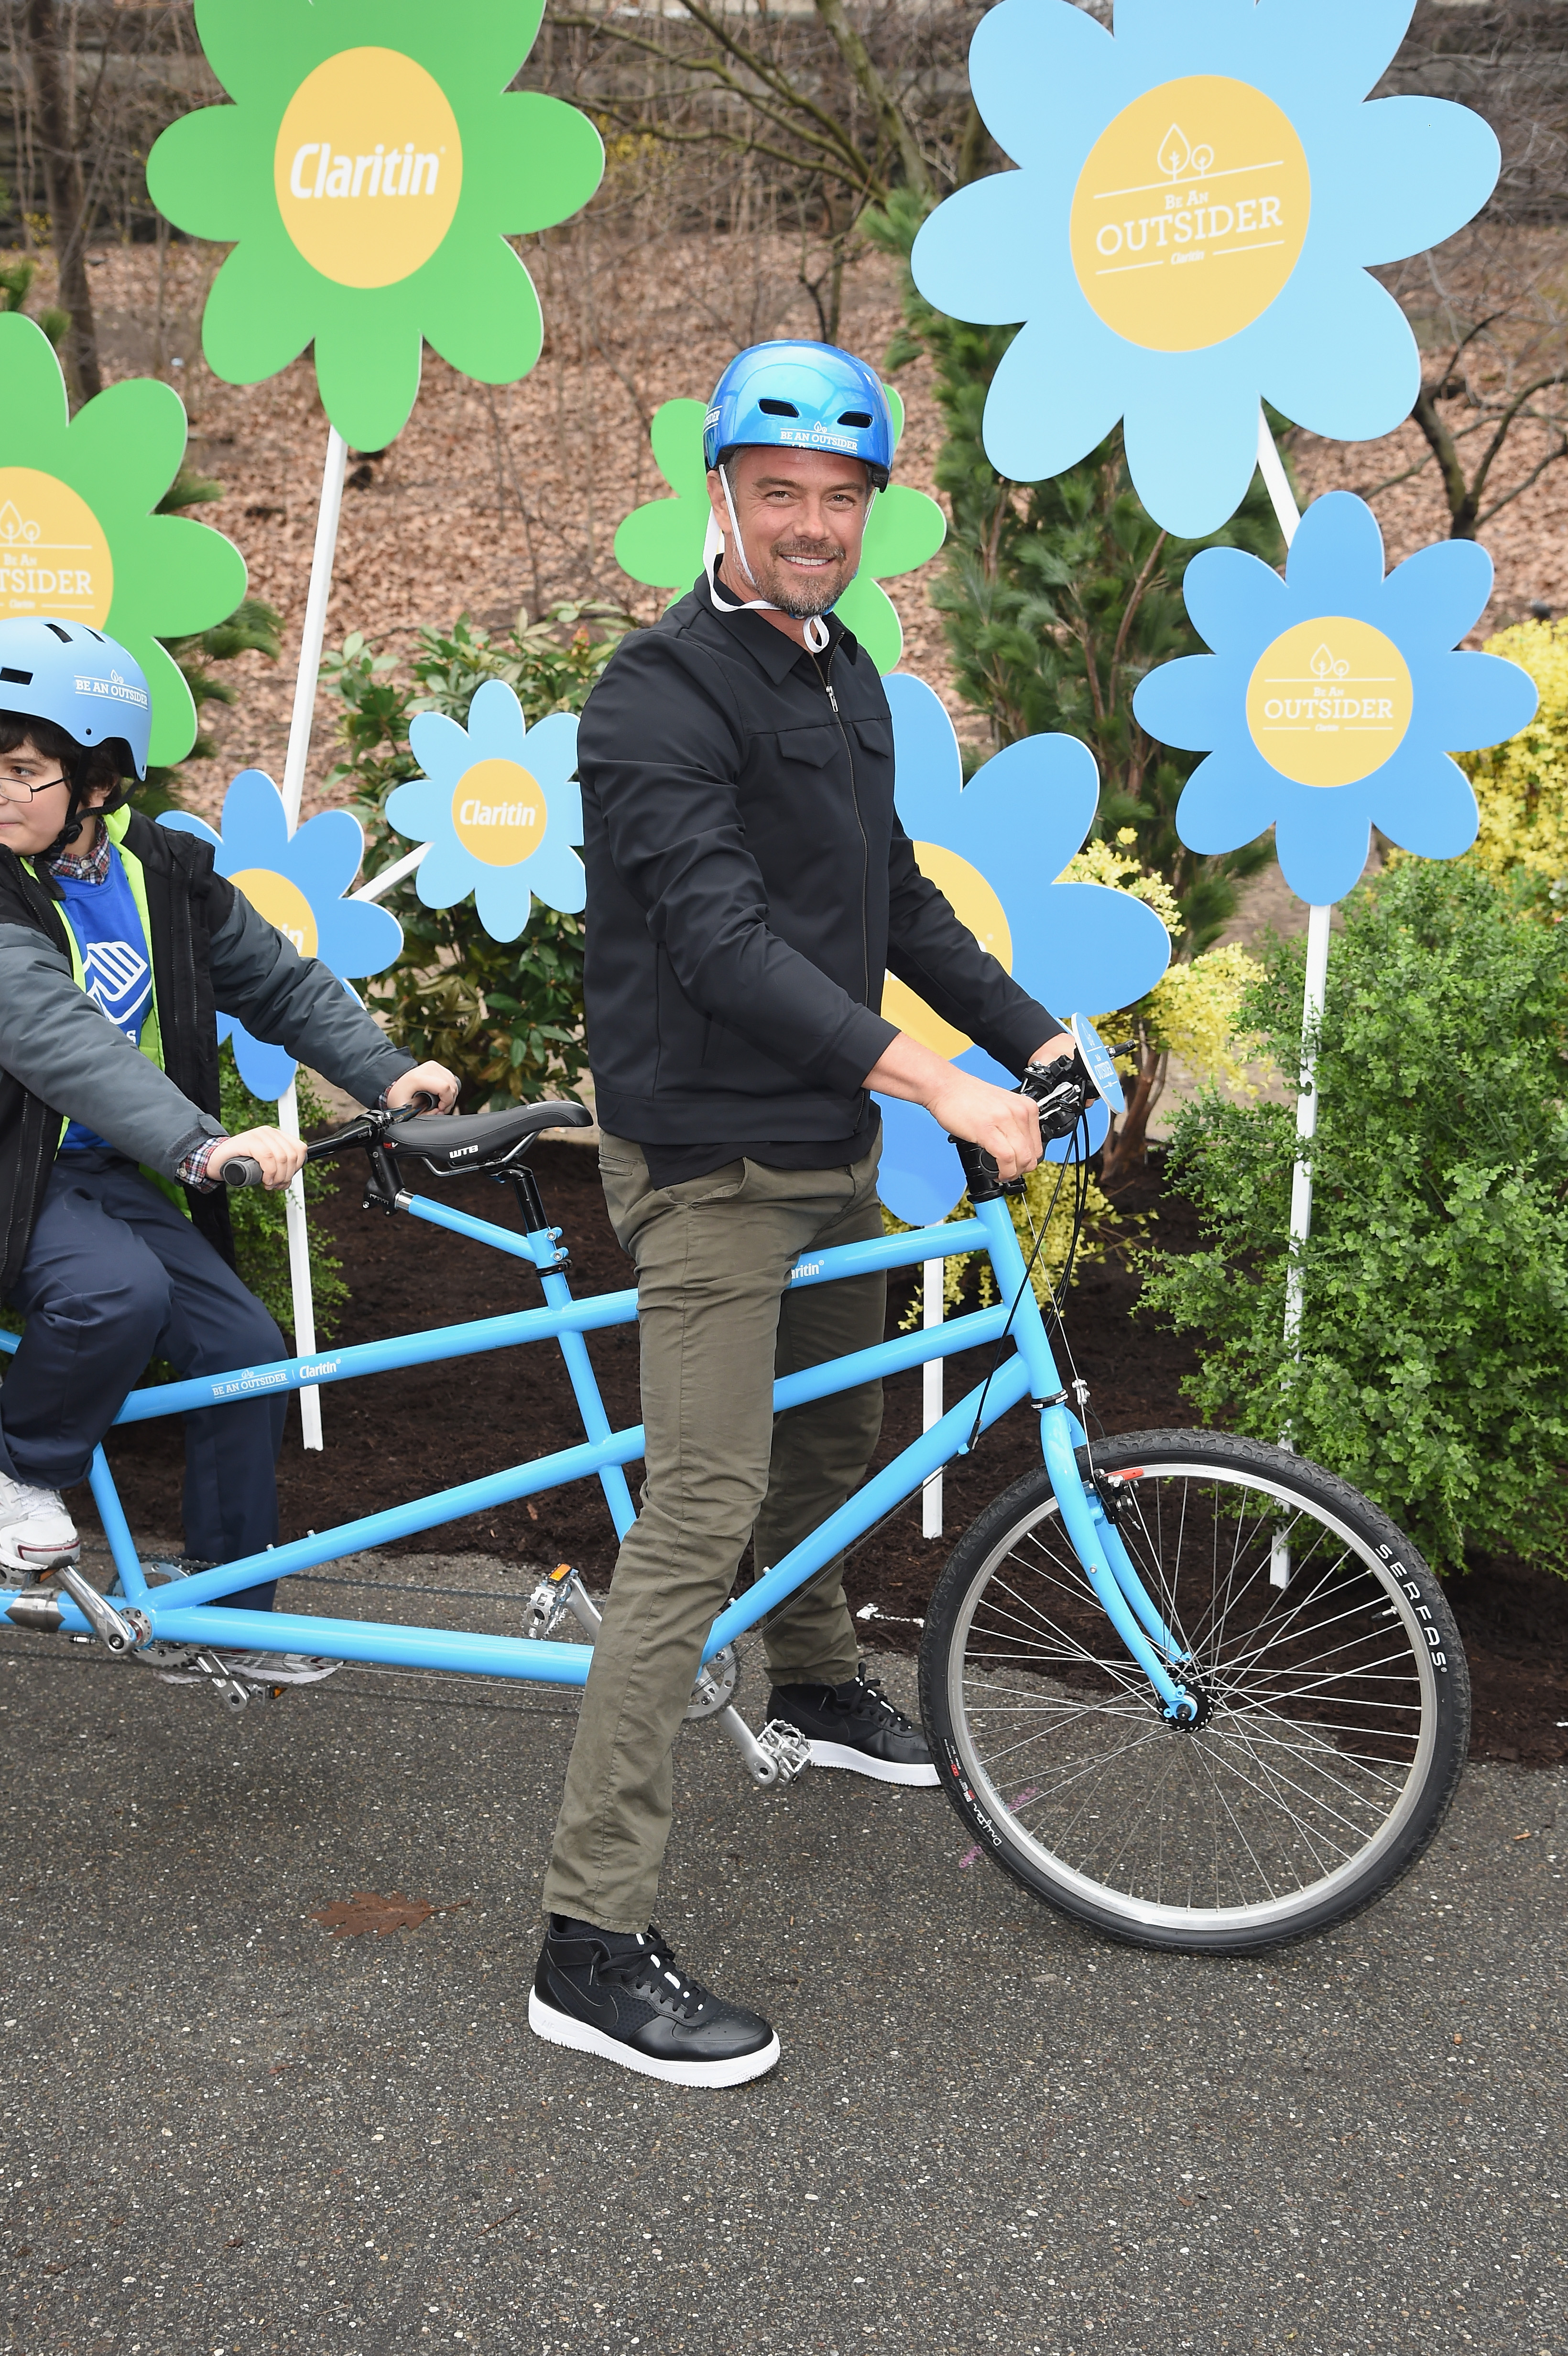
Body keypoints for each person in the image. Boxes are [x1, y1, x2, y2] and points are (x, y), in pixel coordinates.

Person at [530, 340, 1077, 2088]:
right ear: (723, 494)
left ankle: (825, 1677)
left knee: (832, 1429)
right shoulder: (654, 696)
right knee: (695, 1513)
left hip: (825, 1139)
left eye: (843, 499)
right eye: (783, 493)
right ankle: (586, 1937)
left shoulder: (848, 681)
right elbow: (721, 942)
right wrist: (948, 1089)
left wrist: (1035, 1031)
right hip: (703, 1157)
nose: (815, 525)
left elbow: (890, 896)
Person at [0, 618, 458, 1676]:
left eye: (26, 770)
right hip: (20, 1174)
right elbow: (50, 1034)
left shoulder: (167, 870)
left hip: (110, 1167)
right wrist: (202, 1146)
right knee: (115, 1295)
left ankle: (220, 1614)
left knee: (245, 1355)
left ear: (103, 779)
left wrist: (385, 1070)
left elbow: (281, 984)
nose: (5, 791)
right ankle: (20, 1470)